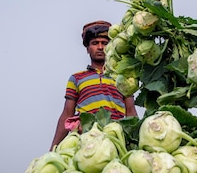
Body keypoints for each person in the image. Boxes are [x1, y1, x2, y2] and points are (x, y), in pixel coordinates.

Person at [50, 20, 137, 150]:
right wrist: (53, 148)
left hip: (116, 139)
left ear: (111, 47)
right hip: (85, 140)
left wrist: (136, 140)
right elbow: (67, 114)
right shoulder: (76, 78)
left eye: (105, 43)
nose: (100, 47)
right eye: (95, 43)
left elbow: (130, 111)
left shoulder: (122, 76)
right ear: (87, 49)